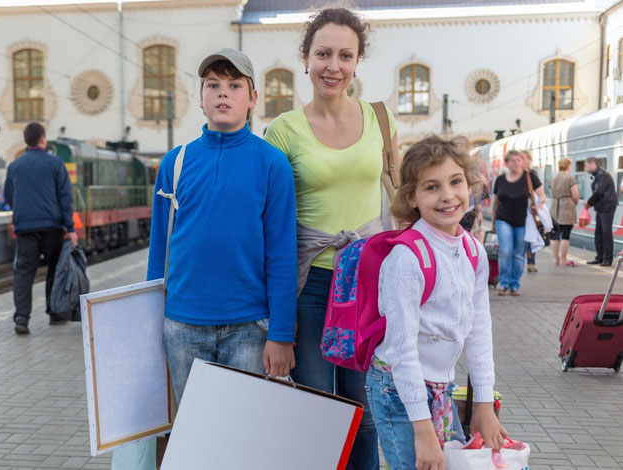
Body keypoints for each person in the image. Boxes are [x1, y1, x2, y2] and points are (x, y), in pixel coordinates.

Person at [114, 49, 297, 469]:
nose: (223, 94)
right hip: (181, 327)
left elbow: (282, 253)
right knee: (195, 434)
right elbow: (159, 252)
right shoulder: (175, 163)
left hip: (249, 328)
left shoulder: (272, 164)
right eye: (213, 85)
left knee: (241, 439)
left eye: (234, 86)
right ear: (200, 97)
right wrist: (148, 325)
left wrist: (281, 333)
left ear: (253, 98)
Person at [263, 8, 398, 468]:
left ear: (357, 61)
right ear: (306, 58)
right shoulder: (282, 131)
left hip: (368, 286)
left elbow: (400, 200)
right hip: (311, 287)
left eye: (345, 55)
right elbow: (274, 230)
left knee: (368, 411)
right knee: (319, 411)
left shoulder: (380, 119)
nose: (333, 66)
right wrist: (278, 324)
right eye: (323, 54)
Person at [370, 136, 507, 470]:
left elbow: (478, 330)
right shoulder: (407, 258)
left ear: (470, 184)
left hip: (441, 388)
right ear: (412, 198)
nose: (448, 196)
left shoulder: (473, 252)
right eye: (432, 187)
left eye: (456, 181)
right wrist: (422, 430)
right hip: (398, 390)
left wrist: (484, 405)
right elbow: (402, 351)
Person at [5, 122, 78, 335]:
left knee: (24, 272)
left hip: (25, 227)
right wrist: (70, 228)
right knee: (54, 269)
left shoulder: (15, 166)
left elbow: (9, 196)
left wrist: (22, 211)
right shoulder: (55, 164)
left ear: (27, 141)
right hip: (52, 226)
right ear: (43, 140)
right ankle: (55, 313)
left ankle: (21, 318)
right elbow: (65, 198)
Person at [491, 150, 544, 296]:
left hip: (523, 221)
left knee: (519, 253)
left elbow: (542, 195)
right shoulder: (500, 179)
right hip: (503, 219)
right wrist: (493, 222)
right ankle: (503, 284)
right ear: (506, 163)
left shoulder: (529, 177)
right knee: (505, 251)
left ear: (523, 162)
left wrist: (539, 205)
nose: (515, 163)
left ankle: (515, 285)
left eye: (518, 160)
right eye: (512, 160)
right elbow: (495, 202)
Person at [584, 156, 616, 266]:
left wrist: (589, 203)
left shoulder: (604, 175)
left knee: (606, 232)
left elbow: (599, 192)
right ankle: (600, 257)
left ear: (593, 164)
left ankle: (607, 259)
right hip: (601, 207)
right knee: (598, 232)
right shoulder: (597, 176)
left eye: (587, 166)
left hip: (607, 207)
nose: (585, 168)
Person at [550, 157, 579, 267]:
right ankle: (563, 259)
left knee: (555, 235)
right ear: (568, 166)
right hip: (567, 208)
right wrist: (575, 202)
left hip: (554, 208)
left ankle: (556, 259)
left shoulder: (554, 178)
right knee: (565, 235)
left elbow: (551, 193)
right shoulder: (570, 178)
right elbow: (575, 195)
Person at [522, 151, 541, 273]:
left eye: (525, 159)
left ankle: (531, 263)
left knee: (531, 238)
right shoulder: (513, 175)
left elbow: (541, 194)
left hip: (530, 212)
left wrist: (539, 205)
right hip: (516, 213)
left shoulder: (532, 175)